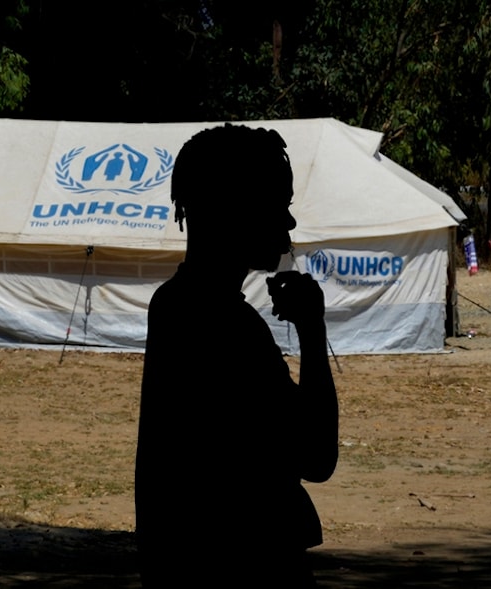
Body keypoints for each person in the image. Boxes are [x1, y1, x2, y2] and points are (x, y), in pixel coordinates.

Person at [135, 124, 340, 587]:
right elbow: (316, 456)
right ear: (233, 211)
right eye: (275, 205)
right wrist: (312, 329)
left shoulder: (172, 305)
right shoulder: (227, 327)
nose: (287, 223)